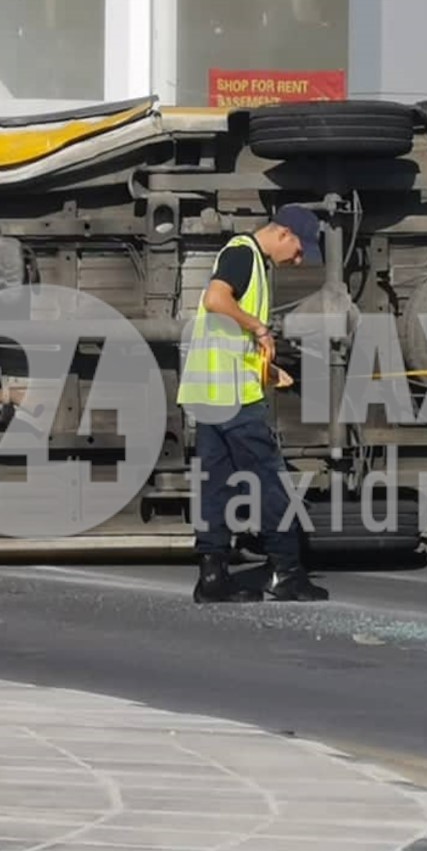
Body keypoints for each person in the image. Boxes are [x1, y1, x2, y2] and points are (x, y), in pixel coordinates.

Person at [178, 205, 331, 603]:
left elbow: (225, 337)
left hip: (211, 392)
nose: (297, 261)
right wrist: (261, 327)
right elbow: (216, 300)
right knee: (270, 480)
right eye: (298, 251)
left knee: (216, 484)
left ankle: (212, 576)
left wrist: (267, 370)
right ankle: (286, 572)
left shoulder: (245, 258)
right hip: (233, 398)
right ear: (283, 234)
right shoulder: (244, 253)